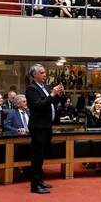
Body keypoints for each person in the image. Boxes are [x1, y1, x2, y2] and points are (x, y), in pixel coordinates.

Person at [24, 64, 64, 194]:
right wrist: (52, 94)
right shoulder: (31, 89)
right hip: (38, 127)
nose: (45, 74)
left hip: (47, 126)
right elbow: (39, 105)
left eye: (44, 72)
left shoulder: (45, 87)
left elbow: (52, 103)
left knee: (42, 155)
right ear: (34, 74)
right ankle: (34, 185)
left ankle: (39, 179)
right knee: (37, 156)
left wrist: (58, 95)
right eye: (41, 72)